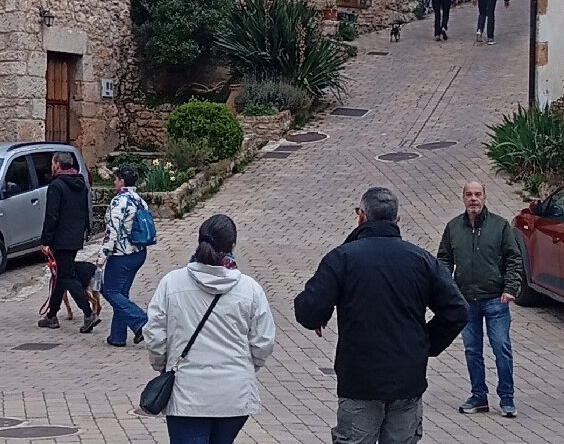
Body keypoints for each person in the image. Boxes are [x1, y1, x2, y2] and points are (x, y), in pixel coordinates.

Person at [294, 187, 468, 444]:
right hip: (407, 378)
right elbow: (457, 310)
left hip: (360, 380)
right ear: (397, 220)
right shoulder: (421, 260)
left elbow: (308, 310)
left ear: (361, 216)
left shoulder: (343, 258)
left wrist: (322, 312)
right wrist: (426, 343)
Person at [143, 214, 275, 444]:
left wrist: (163, 366)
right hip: (234, 394)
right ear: (233, 245)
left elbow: (155, 335)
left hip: (186, 395)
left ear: (199, 240)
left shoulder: (171, 283)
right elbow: (263, 342)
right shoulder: (250, 289)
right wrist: (245, 367)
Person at [437, 181, 523, 418]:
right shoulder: (453, 227)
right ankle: (478, 396)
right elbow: (444, 259)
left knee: (501, 348)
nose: (473, 199)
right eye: (469, 194)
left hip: (496, 299)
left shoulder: (500, 226)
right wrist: (448, 288)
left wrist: (510, 288)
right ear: (463, 198)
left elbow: (514, 258)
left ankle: (507, 397)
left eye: (477, 194)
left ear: (485, 197)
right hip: (466, 301)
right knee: (472, 350)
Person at [38, 151, 100, 333]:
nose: (51, 166)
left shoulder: (56, 186)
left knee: (67, 277)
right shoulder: (81, 184)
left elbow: (52, 215)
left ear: (57, 164)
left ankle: (88, 313)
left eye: (52, 163)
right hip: (75, 237)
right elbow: (85, 210)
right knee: (61, 276)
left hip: (60, 239)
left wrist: (46, 240)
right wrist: (85, 230)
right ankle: (51, 315)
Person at [96, 165, 149, 347]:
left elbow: (112, 232)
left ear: (122, 181)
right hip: (139, 252)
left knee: (110, 291)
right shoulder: (140, 200)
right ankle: (117, 336)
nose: (114, 182)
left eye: (116, 179)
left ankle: (141, 322)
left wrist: (102, 256)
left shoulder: (119, 202)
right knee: (121, 294)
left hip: (121, 255)